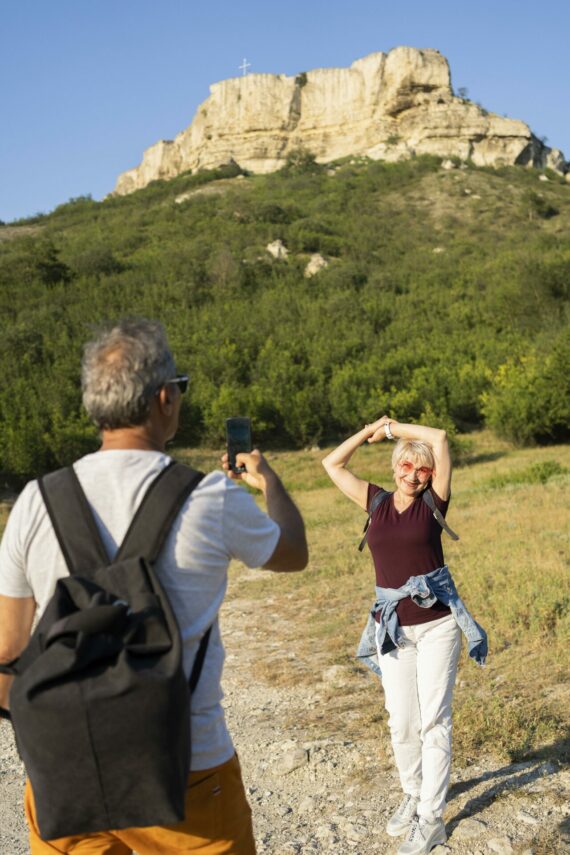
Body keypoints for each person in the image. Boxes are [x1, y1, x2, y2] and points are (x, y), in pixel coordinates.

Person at [0, 318, 308, 855]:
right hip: (186, 769)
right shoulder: (209, 498)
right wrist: (268, 480)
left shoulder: (34, 502)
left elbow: (7, 650)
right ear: (166, 398)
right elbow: (293, 553)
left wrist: (51, 740)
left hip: (67, 775)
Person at [322, 416, 485, 855]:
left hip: (437, 627)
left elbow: (440, 438)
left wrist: (394, 428)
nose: (413, 476)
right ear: (395, 467)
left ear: (431, 475)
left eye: (422, 470)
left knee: (434, 721)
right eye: (406, 467)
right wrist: (368, 430)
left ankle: (432, 818)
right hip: (391, 625)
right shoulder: (374, 501)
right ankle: (413, 792)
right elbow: (332, 463)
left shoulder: (435, 501)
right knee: (401, 720)